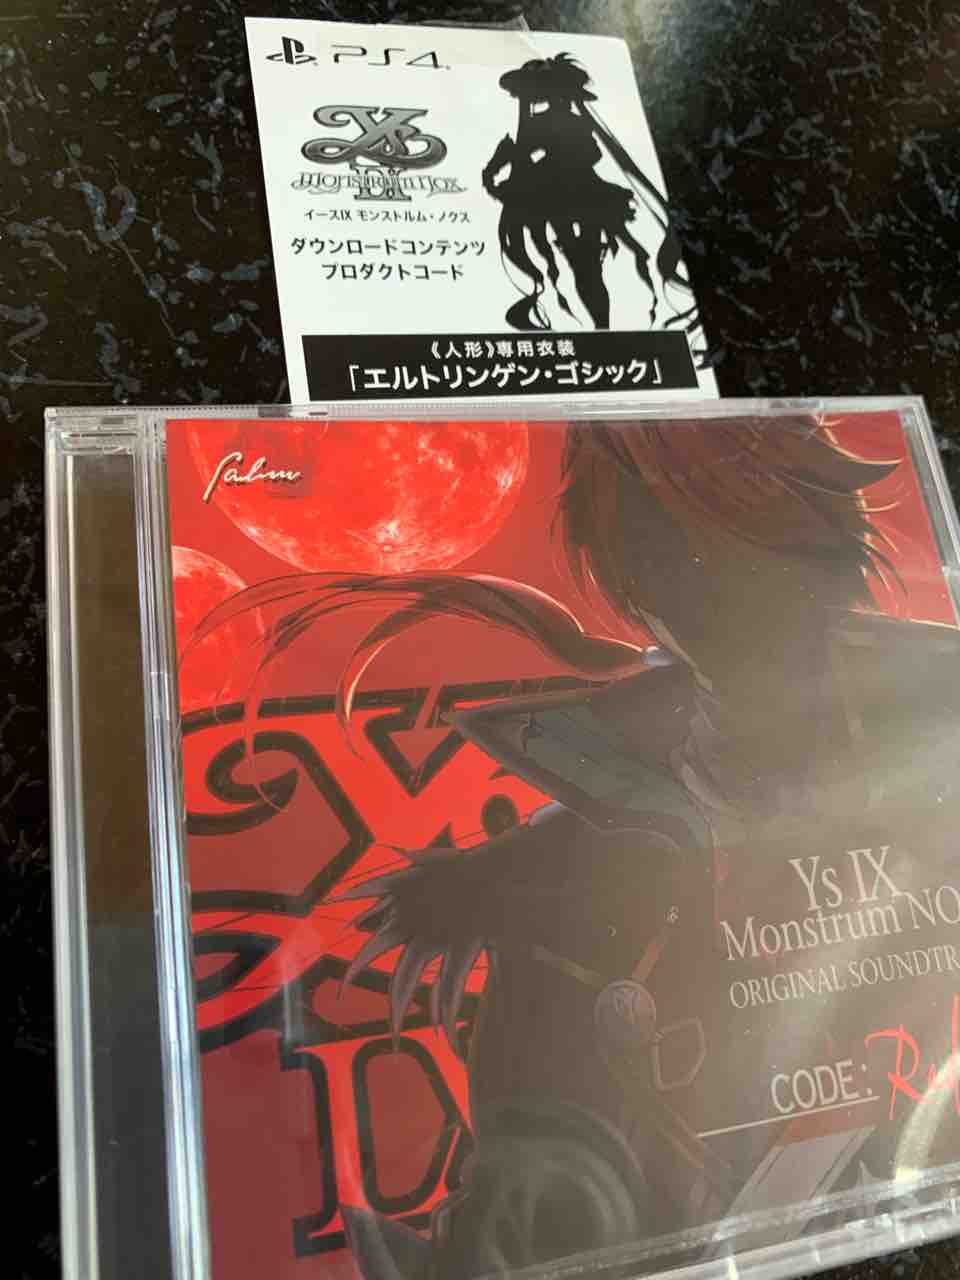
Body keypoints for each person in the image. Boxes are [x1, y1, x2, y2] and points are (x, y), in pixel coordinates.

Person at [197, 414, 960, 1278]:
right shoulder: (584, 864)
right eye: (679, 572)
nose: (724, 607)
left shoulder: (933, 730)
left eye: (752, 569)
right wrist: (554, 1184)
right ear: (648, 595)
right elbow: (555, 1139)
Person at [482, 53, 701, 349]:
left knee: (582, 261)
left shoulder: (558, 122)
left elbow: (589, 152)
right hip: (560, 191)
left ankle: (600, 326)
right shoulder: (546, 123)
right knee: (578, 261)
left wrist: (525, 163)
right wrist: (507, 166)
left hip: (573, 190)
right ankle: (597, 325)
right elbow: (518, 152)